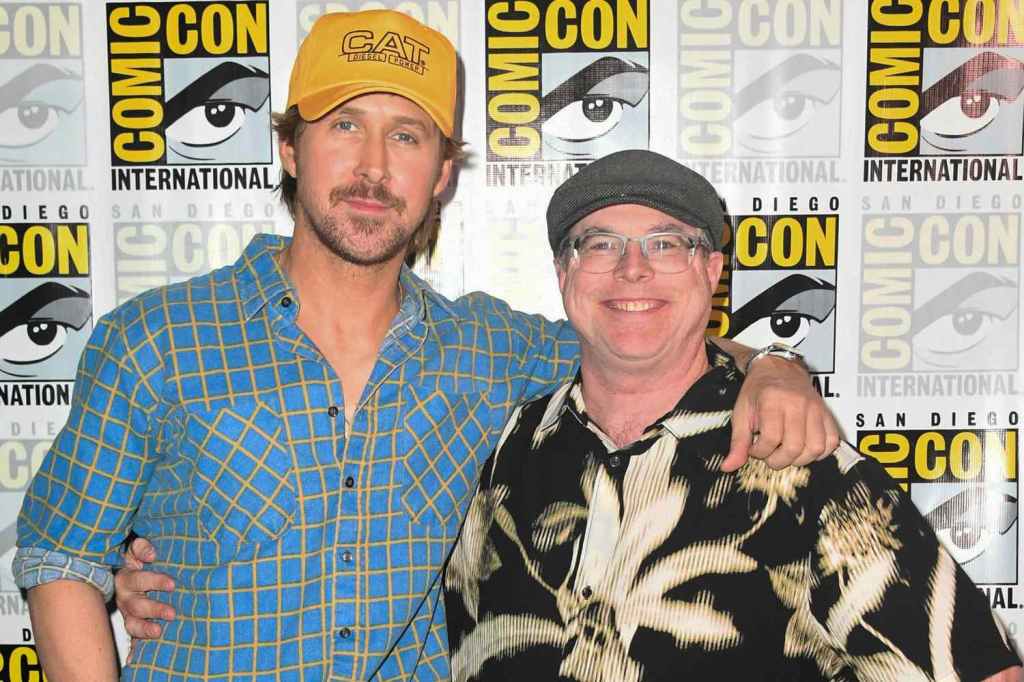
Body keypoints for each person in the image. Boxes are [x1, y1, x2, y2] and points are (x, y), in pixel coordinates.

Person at [14, 11, 837, 682]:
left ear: (443, 172)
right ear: (291, 149)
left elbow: (640, 339)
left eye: (407, 136)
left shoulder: (491, 348)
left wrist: (774, 365)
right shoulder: (154, 342)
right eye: (345, 126)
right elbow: (61, 560)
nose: (373, 168)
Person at [443, 150, 1023, 682]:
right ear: (563, 273)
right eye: (599, 244)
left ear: (712, 271)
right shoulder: (508, 452)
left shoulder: (798, 461)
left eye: (666, 244)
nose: (632, 268)